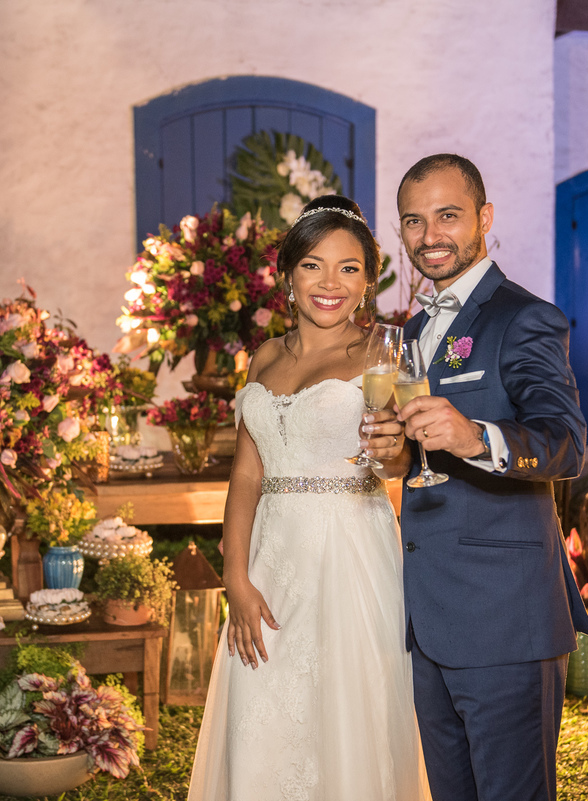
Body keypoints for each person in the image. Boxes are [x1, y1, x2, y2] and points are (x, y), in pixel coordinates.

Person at [187, 195, 429, 801]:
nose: (330, 283)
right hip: (271, 558)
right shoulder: (264, 357)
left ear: (368, 282)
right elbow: (246, 477)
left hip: (349, 554)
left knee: (346, 715)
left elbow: (401, 461)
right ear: (288, 276)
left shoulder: (383, 354)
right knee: (263, 710)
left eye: (349, 268)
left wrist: (393, 452)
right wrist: (235, 577)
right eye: (313, 265)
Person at [367, 154, 588, 801]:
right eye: (414, 220)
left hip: (505, 618)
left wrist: (476, 437)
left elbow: (566, 443)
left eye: (448, 215)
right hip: (429, 618)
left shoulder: (525, 317)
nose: (430, 235)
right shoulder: (412, 330)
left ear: (484, 217)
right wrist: (394, 453)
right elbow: (419, 461)